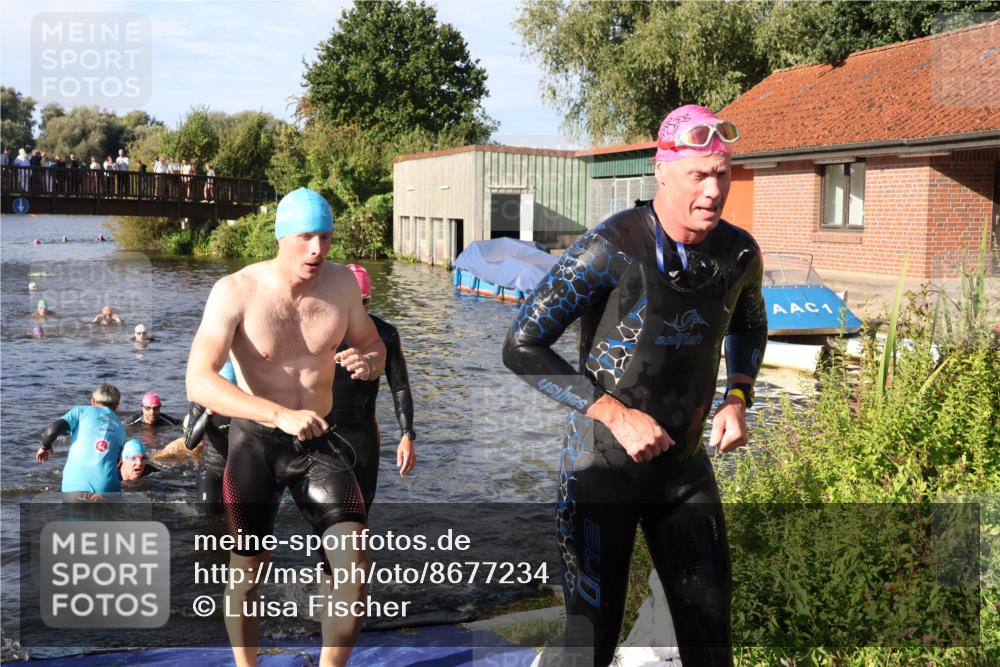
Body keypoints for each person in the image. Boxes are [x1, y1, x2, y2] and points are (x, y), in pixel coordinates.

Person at [502, 105, 768, 667]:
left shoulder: (739, 253)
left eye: (722, 173)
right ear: (662, 171)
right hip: (600, 472)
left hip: (684, 472)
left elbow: (747, 324)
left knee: (712, 645)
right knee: (588, 647)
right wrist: (615, 414)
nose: (713, 190)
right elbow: (521, 344)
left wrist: (737, 397)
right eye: (699, 174)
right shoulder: (611, 246)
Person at [185, 186, 386, 667]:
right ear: (281, 237)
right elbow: (198, 381)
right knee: (247, 575)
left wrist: (370, 361)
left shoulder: (341, 285)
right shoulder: (235, 291)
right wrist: (275, 413)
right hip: (256, 445)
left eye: (326, 237)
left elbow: (373, 341)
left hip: (320, 442)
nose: (318, 249)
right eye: (306, 237)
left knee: (354, 573)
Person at [331, 264, 415, 509]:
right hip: (321, 433)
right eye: (352, 302)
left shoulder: (386, 334)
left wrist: (407, 435)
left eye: (364, 301)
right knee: (322, 513)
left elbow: (400, 387)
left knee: (360, 510)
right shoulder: (322, 331)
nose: (359, 309)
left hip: (361, 435)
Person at [35, 384, 131, 501]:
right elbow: (118, 464)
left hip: (73, 487)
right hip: (106, 489)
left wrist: (45, 446)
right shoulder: (121, 428)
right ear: (117, 405)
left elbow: (51, 431)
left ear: (93, 402)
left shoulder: (80, 411)